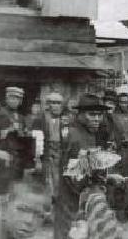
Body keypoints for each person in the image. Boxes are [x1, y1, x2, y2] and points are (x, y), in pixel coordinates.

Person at [54, 94, 109, 239]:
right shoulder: (74, 135)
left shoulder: (88, 133)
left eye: (99, 115)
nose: (97, 119)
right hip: (73, 200)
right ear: (80, 115)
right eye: (92, 114)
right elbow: (72, 174)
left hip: (83, 198)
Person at [0, 87, 30, 187]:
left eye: (18, 99)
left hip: (17, 159)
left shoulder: (21, 118)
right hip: (2, 158)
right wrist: (5, 132)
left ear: (20, 101)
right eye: (12, 98)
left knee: (15, 187)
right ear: (7, 99)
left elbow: (23, 139)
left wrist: (24, 133)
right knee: (0, 189)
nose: (15, 101)